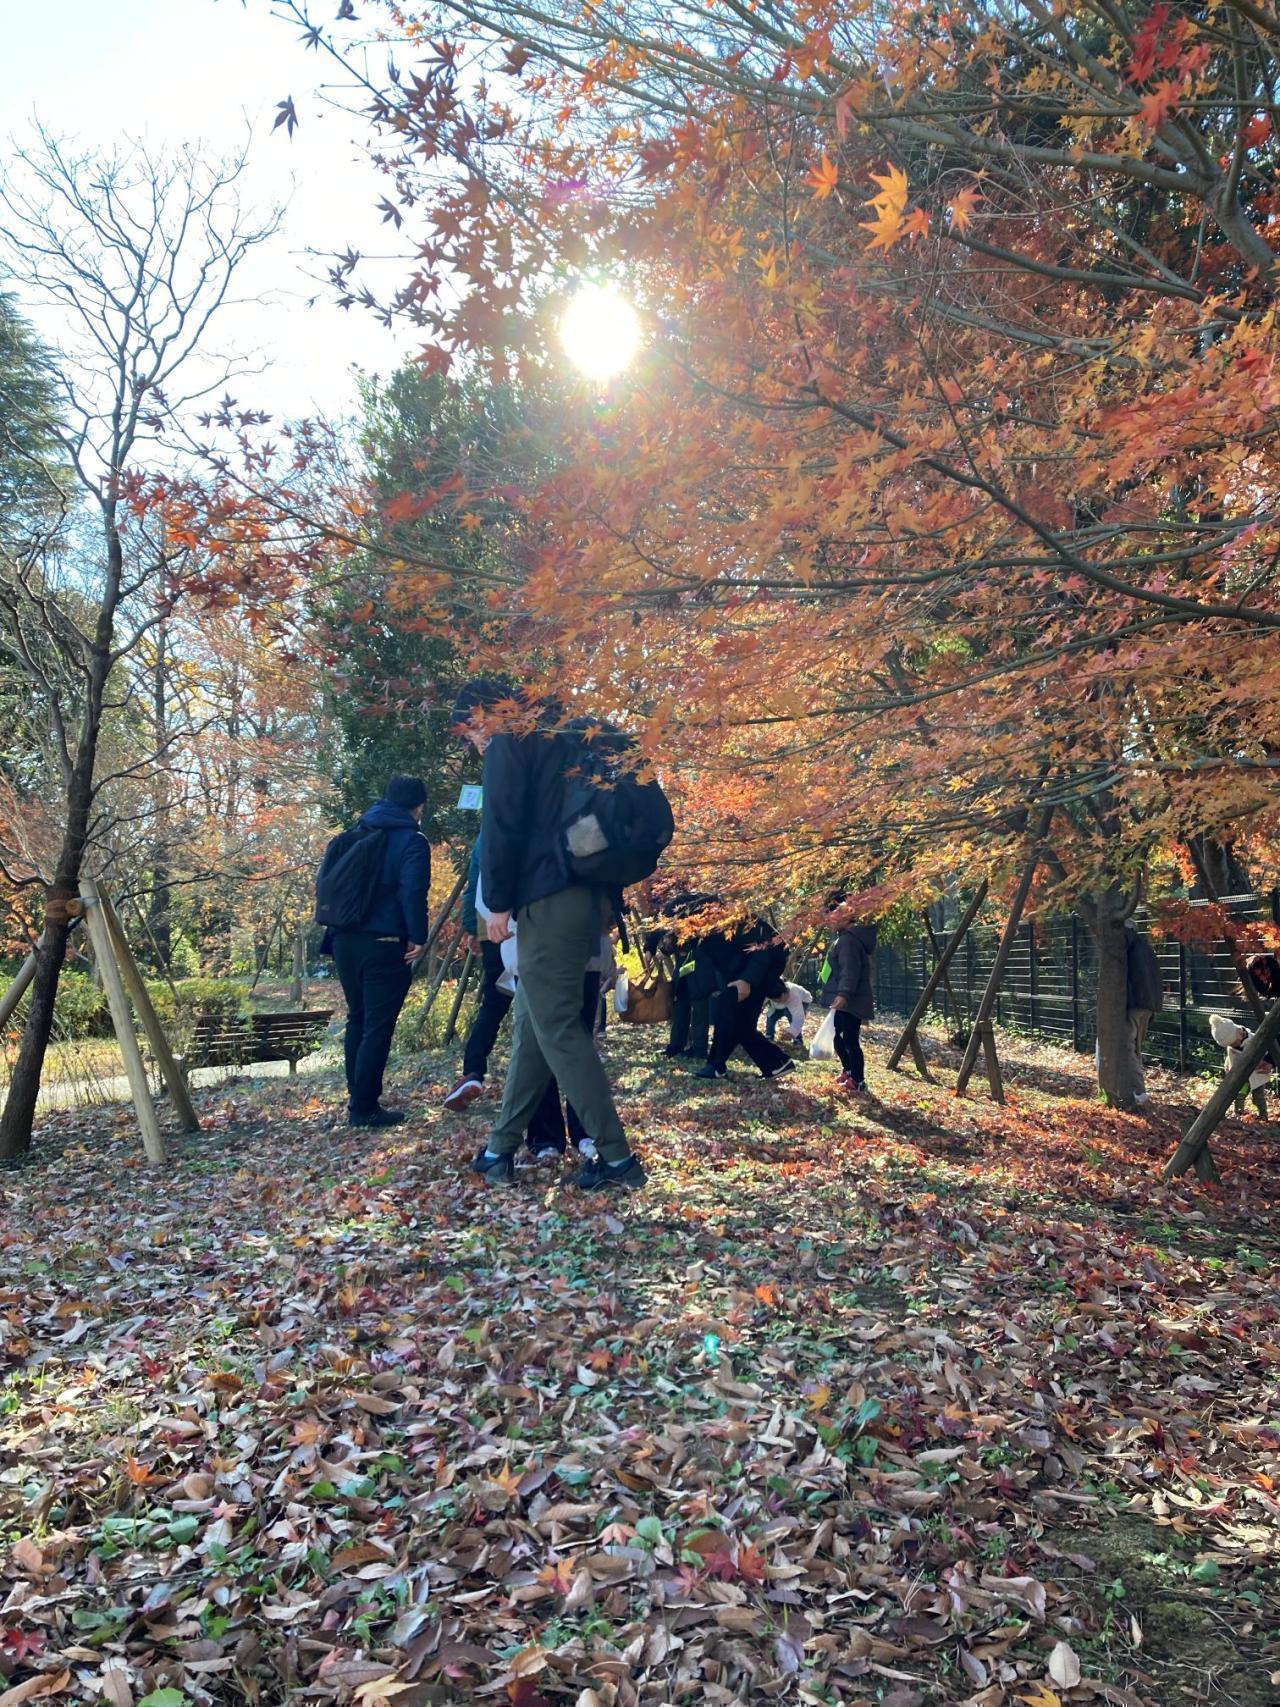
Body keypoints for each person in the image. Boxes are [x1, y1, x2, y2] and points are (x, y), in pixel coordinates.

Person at [451, 679, 645, 1192]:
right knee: (532, 1025)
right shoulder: (561, 737)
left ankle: (617, 1159)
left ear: (482, 713)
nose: (468, 739)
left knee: (555, 1023)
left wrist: (494, 903)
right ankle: (499, 1148)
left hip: (547, 898)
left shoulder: (510, 742)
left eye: (466, 726)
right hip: (581, 894)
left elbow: (502, 824)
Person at [327, 776, 431, 1127]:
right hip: (384, 942)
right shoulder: (412, 841)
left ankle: (358, 1098)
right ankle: (364, 1107)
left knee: (357, 1017)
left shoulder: (355, 833)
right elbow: (412, 891)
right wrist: (418, 935)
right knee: (377, 1026)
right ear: (418, 807)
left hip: (343, 939)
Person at [443, 828, 512, 1112]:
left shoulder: (488, 833)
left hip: (491, 924)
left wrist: (472, 927)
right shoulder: (540, 813)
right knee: (542, 1002)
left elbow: (475, 879)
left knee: (495, 999)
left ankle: (473, 1070)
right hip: (532, 921)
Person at [693, 912, 795, 1080]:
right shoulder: (700, 929)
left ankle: (716, 1065)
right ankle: (777, 1063)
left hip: (759, 970)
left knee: (730, 1017)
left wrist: (746, 980)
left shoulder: (735, 920)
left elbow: (765, 949)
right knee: (740, 1024)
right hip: (740, 973)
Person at [826, 894, 877, 1099]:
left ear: (845, 918)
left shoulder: (848, 942)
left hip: (851, 1001)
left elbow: (850, 971)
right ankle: (848, 1071)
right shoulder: (844, 939)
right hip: (846, 1000)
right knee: (838, 1035)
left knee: (849, 1039)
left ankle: (857, 1079)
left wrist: (843, 995)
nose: (828, 919)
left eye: (832, 915)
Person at [1123, 920, 1164, 1107]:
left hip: (1135, 1003)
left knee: (1127, 1047)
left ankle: (1137, 1091)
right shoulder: (1146, 947)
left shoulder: (1127, 945)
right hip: (1149, 1004)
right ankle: (1138, 1088)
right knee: (1136, 1048)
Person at [765, 978, 813, 1044]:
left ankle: (797, 1038)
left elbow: (798, 1017)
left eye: (779, 999)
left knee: (790, 1014)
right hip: (781, 1004)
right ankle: (769, 1035)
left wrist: (791, 1033)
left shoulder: (794, 995)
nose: (778, 1001)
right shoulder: (769, 991)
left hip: (803, 1000)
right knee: (771, 1015)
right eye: (775, 1000)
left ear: (785, 992)